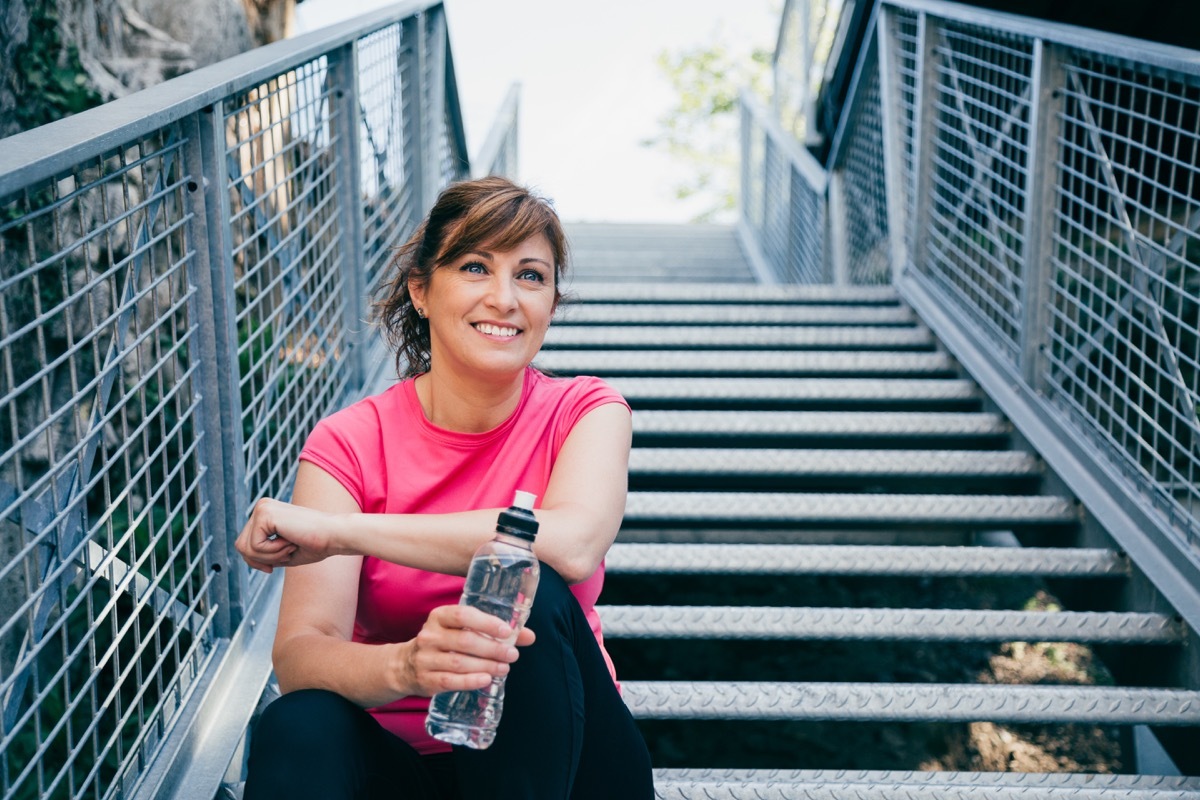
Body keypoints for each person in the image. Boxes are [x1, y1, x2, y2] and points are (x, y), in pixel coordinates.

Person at [234, 176, 654, 799]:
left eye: (531, 276)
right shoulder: (350, 441)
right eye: (475, 266)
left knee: (524, 589)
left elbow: (569, 544)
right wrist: (403, 666)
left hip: (571, 766)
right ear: (421, 291)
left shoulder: (587, 409)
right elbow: (299, 657)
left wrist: (341, 531)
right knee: (297, 722)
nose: (505, 298)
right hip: (407, 765)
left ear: (551, 304)